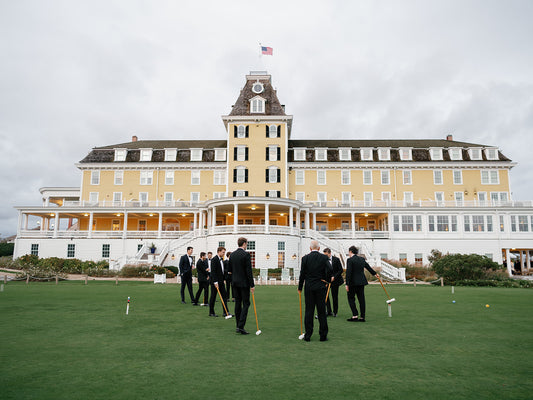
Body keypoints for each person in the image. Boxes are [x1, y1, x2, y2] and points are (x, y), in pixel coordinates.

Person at [298, 240, 331, 342]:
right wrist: (327, 280)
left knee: (309, 311)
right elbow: (330, 270)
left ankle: (308, 335)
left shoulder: (305, 258)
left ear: (310, 248)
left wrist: (300, 287)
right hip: (321, 287)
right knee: (321, 312)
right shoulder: (324, 257)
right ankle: (323, 335)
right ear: (319, 248)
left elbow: (302, 274)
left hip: (309, 288)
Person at [345, 245, 378, 322]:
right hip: (361, 282)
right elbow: (368, 267)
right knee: (361, 299)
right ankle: (362, 317)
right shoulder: (361, 259)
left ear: (350, 251)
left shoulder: (350, 260)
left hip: (352, 283)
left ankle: (355, 315)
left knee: (351, 298)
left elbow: (348, 273)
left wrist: (347, 284)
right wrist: (375, 274)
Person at [229, 237, 255, 335]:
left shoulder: (232, 255)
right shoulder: (246, 255)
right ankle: (241, 326)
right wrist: (252, 285)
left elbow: (229, 270)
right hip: (243, 283)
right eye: (246, 243)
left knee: (238, 303)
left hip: (235, 282)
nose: (247, 245)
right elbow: (249, 271)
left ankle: (238, 325)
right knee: (246, 303)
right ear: (244, 244)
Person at [209, 247, 231, 318]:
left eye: (224, 252)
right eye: (223, 252)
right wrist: (215, 282)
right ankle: (211, 312)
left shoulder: (222, 260)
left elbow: (222, 271)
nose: (224, 254)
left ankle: (226, 312)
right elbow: (213, 272)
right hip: (215, 282)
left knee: (224, 297)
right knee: (213, 296)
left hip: (221, 282)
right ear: (219, 251)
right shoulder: (214, 260)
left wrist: (225, 277)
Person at [324, 248, 344, 317]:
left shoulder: (336, 259)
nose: (325, 256)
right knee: (326, 296)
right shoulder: (324, 260)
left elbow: (340, 270)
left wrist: (334, 277)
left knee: (334, 296)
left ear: (329, 253)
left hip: (335, 281)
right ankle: (328, 311)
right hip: (327, 281)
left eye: (326, 255)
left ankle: (335, 312)